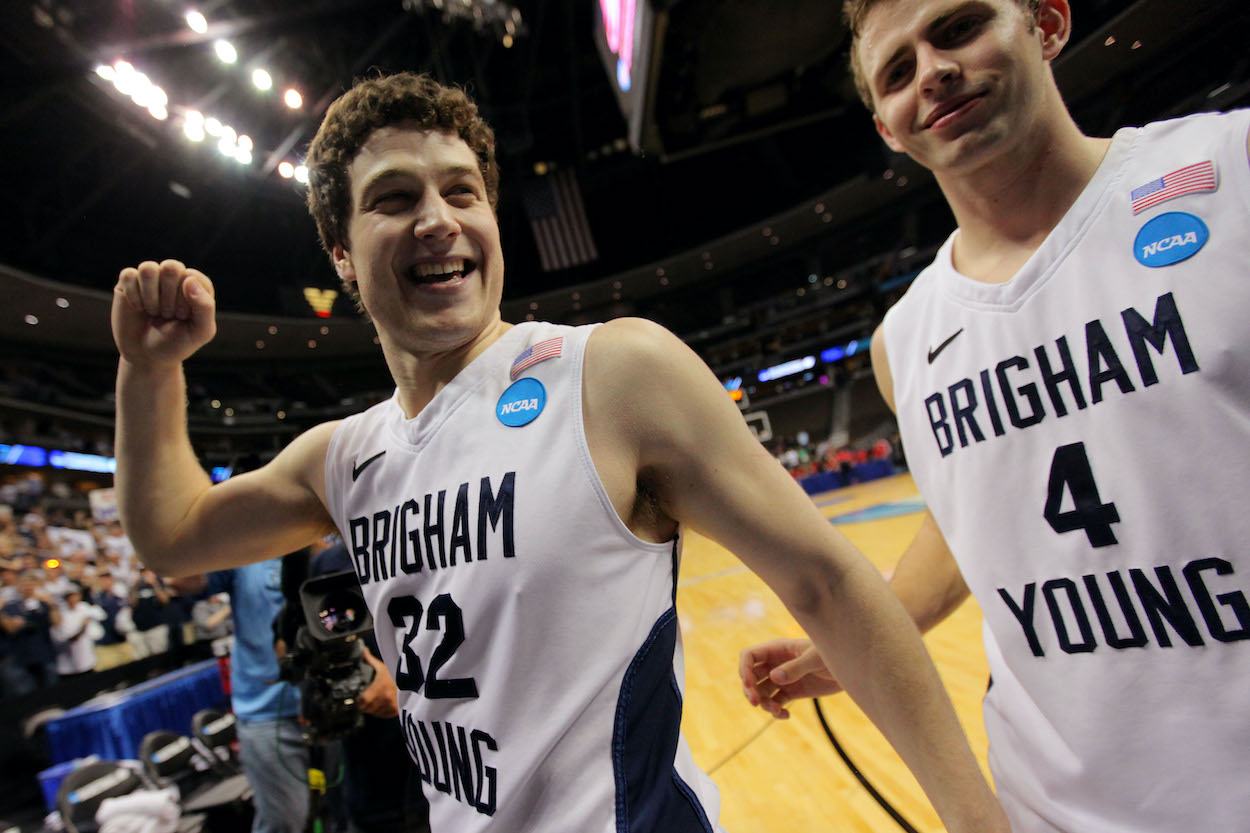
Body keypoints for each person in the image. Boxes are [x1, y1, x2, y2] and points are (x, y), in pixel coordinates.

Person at [110, 72, 1007, 832]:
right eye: (394, 198)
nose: (438, 219)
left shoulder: (613, 374)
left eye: (461, 191)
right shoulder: (341, 458)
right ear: (341, 252)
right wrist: (150, 371)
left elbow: (833, 585)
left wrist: (974, 821)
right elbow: (173, 534)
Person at [739, 1, 1250, 831]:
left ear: (1046, 22)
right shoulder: (904, 341)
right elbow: (967, 518)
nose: (932, 72)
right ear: (888, 129)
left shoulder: (1229, 170)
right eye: (897, 70)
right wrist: (857, 642)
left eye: (958, 27)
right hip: (1053, 805)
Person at [169, 560, 310, 833]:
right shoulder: (245, 545)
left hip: (334, 701)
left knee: (343, 813)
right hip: (268, 712)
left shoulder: (324, 531)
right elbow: (181, 579)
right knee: (284, 822)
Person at [0, 571, 61, 694]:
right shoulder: (12, 606)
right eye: (25, 584)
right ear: (19, 587)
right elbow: (10, 629)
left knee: (53, 691)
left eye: (31, 584)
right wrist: (15, 622)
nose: (28, 587)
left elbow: (57, 622)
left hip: (45, 653)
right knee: (29, 694)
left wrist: (53, 605)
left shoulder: (43, 603)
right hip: (22, 656)